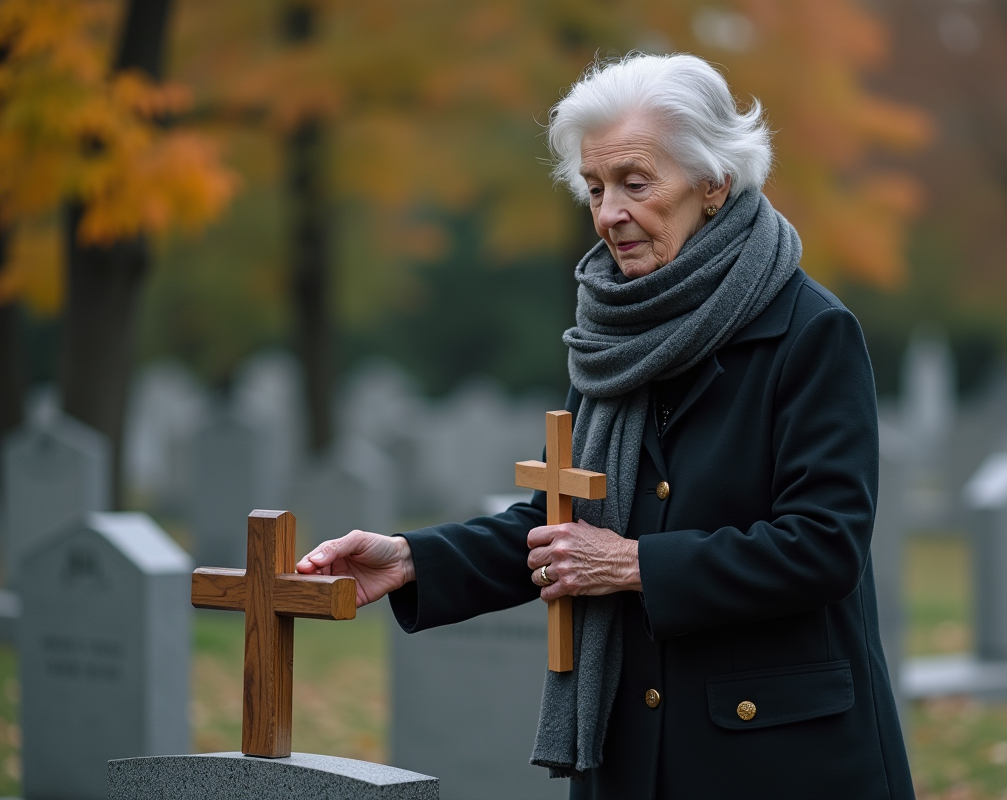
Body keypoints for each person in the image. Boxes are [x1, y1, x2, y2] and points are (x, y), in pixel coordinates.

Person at [297, 52, 912, 800]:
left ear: (714, 183)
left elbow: (824, 545)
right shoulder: (613, 332)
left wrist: (632, 565)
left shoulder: (811, 332)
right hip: (634, 757)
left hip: (778, 760)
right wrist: (412, 559)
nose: (609, 213)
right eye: (594, 189)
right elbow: (563, 520)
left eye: (634, 183)